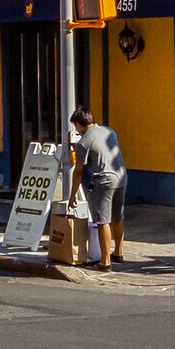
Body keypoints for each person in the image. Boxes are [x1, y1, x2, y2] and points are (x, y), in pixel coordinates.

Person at [67, 108, 126, 271]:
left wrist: (73, 196)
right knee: (118, 217)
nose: (76, 130)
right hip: (121, 176)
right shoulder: (109, 131)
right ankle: (118, 252)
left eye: (76, 127)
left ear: (79, 124)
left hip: (103, 180)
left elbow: (78, 171)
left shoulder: (83, 142)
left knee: (102, 221)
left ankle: (105, 261)